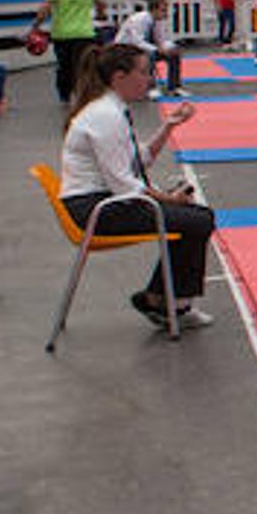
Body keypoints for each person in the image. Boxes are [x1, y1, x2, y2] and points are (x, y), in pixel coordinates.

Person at [57, 43, 217, 331]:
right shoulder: (105, 116)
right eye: (144, 73)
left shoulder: (111, 110)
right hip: (95, 209)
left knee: (194, 218)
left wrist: (168, 127)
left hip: (101, 200)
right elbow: (125, 184)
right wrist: (170, 199)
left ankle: (164, 300)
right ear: (119, 77)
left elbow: (139, 161)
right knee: (198, 219)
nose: (150, 79)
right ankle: (168, 303)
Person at [31, 0, 103, 102]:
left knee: (64, 66)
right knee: (82, 66)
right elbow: (101, 5)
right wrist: (101, 14)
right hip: (85, 33)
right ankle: (82, 92)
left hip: (62, 33)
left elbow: (45, 8)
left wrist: (36, 25)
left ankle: (65, 96)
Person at [112, 0, 185, 97]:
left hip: (142, 48)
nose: (166, 13)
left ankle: (174, 87)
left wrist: (171, 47)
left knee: (173, 55)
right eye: (163, 10)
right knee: (147, 55)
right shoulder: (139, 19)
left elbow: (161, 39)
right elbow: (137, 42)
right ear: (154, 10)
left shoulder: (158, 21)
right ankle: (151, 88)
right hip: (124, 50)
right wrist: (157, 49)